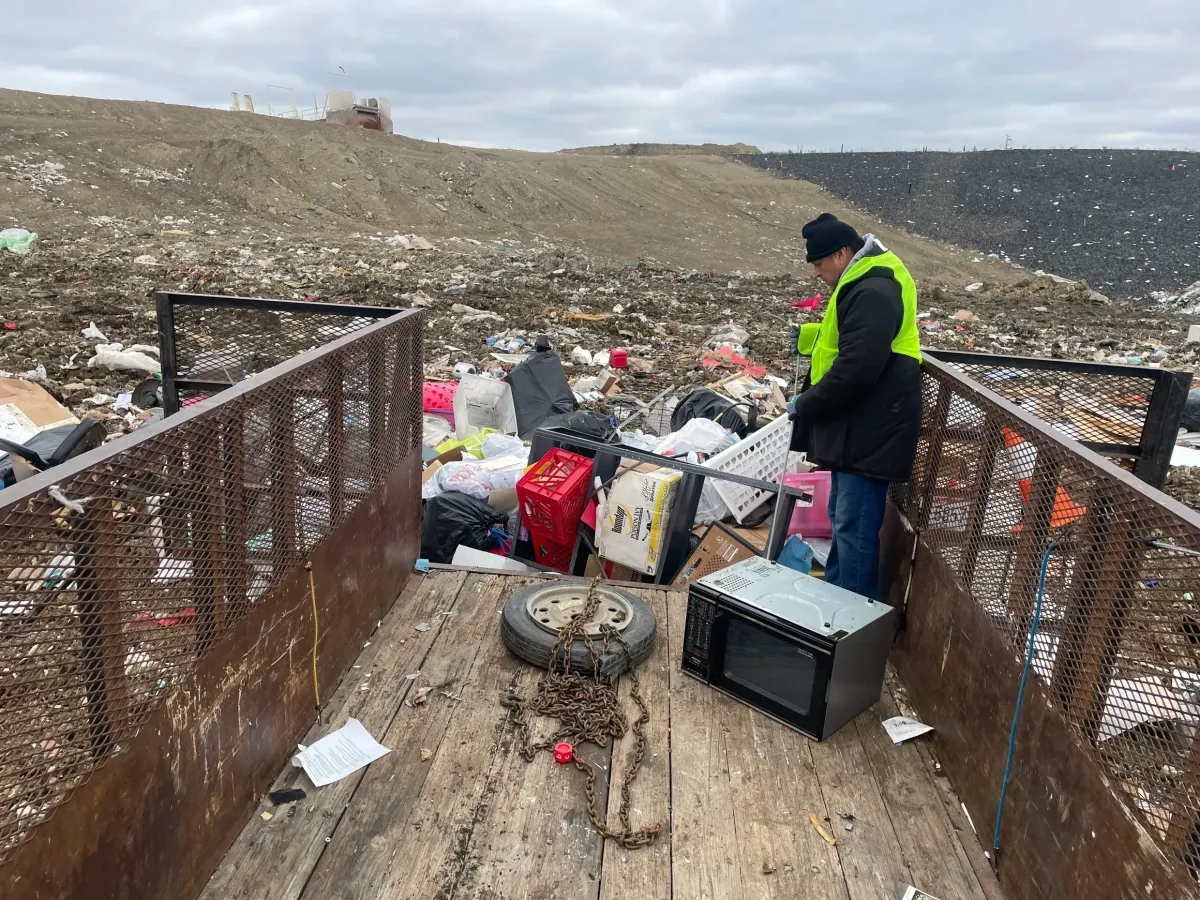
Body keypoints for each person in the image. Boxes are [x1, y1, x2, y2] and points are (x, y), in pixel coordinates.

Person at [788, 213, 922, 600]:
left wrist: (808, 403)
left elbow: (859, 366)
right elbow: (854, 340)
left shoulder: (873, 289)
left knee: (855, 527)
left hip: (870, 433)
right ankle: (834, 610)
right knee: (844, 524)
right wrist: (810, 336)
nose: (815, 273)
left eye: (818, 263)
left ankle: (850, 628)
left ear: (842, 253)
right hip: (861, 430)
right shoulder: (863, 283)